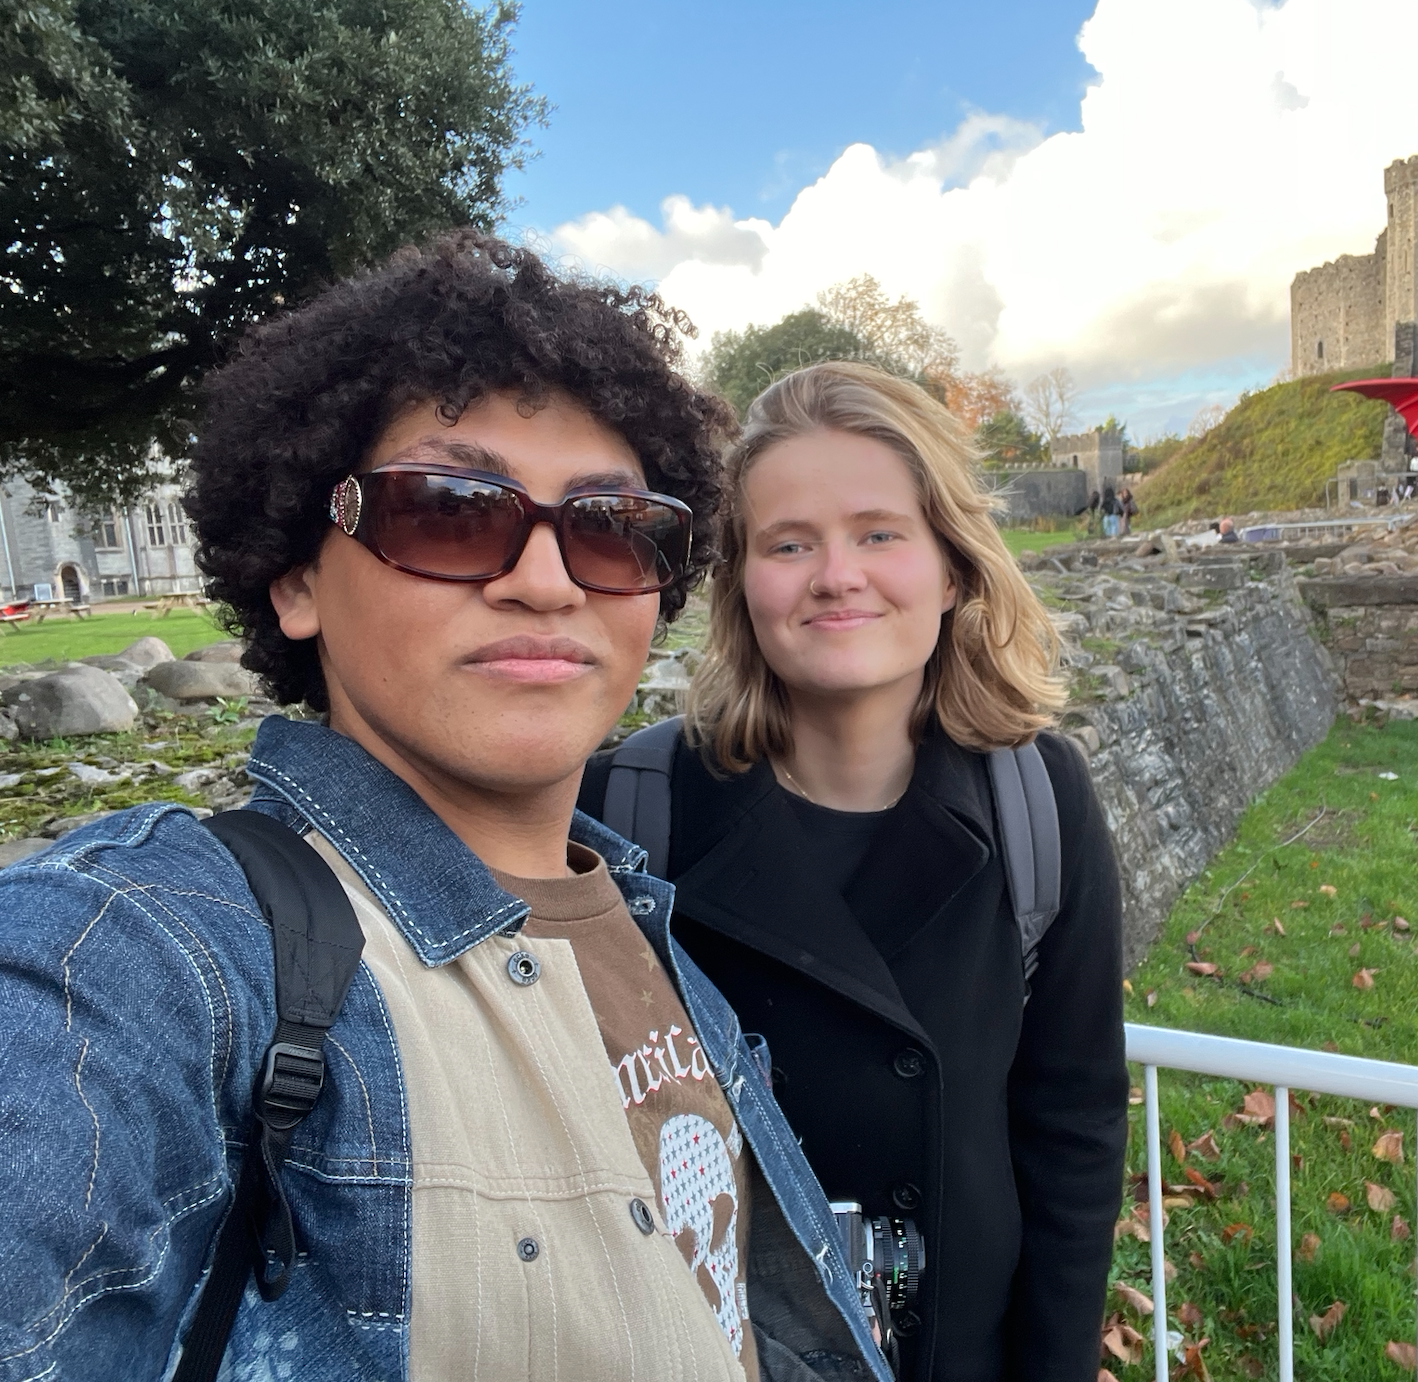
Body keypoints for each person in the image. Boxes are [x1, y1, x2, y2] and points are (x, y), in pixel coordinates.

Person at [0, 233, 888, 1382]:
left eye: (612, 525)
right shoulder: (140, 953)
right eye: (450, 509)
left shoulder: (629, 906)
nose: (546, 577)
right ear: (297, 574)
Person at [655, 362, 1127, 1382]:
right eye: (789, 543)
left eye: (879, 532)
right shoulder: (636, 810)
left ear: (950, 568)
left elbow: (1072, 1119)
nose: (837, 574)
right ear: (740, 579)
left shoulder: (1040, 804)